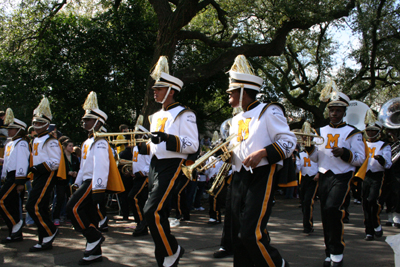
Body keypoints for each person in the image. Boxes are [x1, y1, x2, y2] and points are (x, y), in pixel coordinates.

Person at [226, 55, 295, 267]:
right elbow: (236, 146)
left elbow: (288, 141)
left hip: (262, 175)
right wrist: (228, 155)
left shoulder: (269, 110)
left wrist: (263, 153)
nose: (228, 94)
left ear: (242, 91)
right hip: (239, 177)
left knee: (249, 234)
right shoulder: (236, 119)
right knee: (238, 234)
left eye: (231, 91)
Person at [141, 56, 199, 267]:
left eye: (159, 88)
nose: (154, 91)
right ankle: (165, 255)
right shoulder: (155, 116)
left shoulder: (185, 114)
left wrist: (167, 138)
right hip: (155, 166)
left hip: (173, 165)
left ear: (171, 91)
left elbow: (193, 145)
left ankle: (171, 250)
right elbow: (154, 145)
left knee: (151, 210)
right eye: (155, 88)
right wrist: (139, 148)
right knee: (160, 212)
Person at [305, 82, 367, 267]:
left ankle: (337, 251)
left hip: (342, 175)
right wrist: (309, 148)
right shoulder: (320, 131)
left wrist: (344, 154)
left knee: (333, 209)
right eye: (332, 110)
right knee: (325, 213)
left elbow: (360, 159)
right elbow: (316, 158)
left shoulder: (353, 133)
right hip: (324, 174)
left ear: (344, 112)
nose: (334, 113)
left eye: (338, 110)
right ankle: (329, 252)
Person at [66, 91, 124, 265]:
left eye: (88, 120)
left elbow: (101, 167)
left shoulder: (101, 142)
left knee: (73, 209)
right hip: (86, 181)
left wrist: (99, 188)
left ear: (98, 122)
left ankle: (94, 237)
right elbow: (83, 167)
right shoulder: (86, 142)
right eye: (84, 119)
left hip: (93, 183)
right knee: (90, 216)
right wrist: (76, 184)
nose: (84, 122)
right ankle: (94, 253)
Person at [25, 97, 66, 252]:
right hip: (38, 175)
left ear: (47, 125)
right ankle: (44, 238)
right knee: (39, 207)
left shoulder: (51, 141)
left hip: (47, 175)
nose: (36, 126)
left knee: (33, 205)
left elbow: (55, 161)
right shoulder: (36, 139)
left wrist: (39, 168)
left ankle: (49, 230)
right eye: (35, 123)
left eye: (40, 123)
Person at [0, 108, 30, 243]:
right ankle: (15, 230)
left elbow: (22, 163)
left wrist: (20, 181)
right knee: (9, 203)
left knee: (2, 201)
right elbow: (7, 163)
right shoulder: (11, 143)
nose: (9, 130)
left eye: (12, 128)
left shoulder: (22, 143)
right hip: (9, 176)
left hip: (16, 177)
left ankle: (16, 225)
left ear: (19, 130)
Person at [363, 111, 392, 240]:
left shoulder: (384, 145)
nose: (370, 133)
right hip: (365, 176)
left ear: (378, 132)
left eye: (373, 131)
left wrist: (380, 159)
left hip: (377, 176)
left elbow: (388, 164)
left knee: (372, 200)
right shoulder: (362, 143)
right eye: (368, 131)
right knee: (365, 203)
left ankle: (376, 223)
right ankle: (369, 230)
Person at [295, 123, 319, 234]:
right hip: (304, 179)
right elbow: (297, 168)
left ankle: (308, 226)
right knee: (304, 202)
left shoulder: (316, 151)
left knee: (308, 201)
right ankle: (306, 223)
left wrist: (319, 174)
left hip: (313, 179)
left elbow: (322, 163)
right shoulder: (301, 154)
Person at [53, 138, 80, 226]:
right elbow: (57, 169)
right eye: (70, 146)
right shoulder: (60, 157)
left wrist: (75, 172)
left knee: (70, 199)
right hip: (61, 181)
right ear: (64, 147)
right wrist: (67, 172)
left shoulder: (74, 157)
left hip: (71, 181)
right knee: (60, 199)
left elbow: (78, 168)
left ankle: (69, 217)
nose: (72, 148)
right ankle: (56, 217)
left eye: (72, 146)